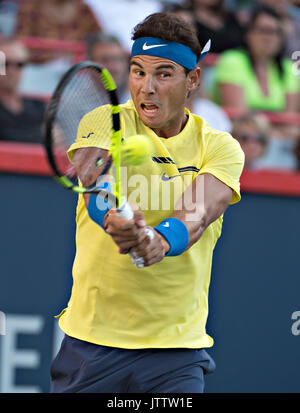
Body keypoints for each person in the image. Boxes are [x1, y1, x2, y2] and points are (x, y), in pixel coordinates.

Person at [50, 12, 245, 393]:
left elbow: (198, 214)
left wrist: (157, 241)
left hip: (175, 351)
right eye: (138, 72)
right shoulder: (102, 121)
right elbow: (97, 186)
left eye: (164, 74)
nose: (147, 88)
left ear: (193, 80)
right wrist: (116, 221)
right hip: (92, 345)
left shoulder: (221, 147)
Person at [213, 5, 300, 114]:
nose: (269, 37)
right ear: (248, 34)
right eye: (263, 30)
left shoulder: (288, 67)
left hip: (281, 130)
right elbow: (238, 114)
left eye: (276, 31)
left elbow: (291, 117)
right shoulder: (232, 60)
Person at [15, 0, 102, 64]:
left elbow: (100, 42)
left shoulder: (85, 10)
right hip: (37, 68)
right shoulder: (31, 7)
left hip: (76, 70)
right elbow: (19, 44)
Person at [0, 37, 45, 143]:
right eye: (5, 64)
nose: (12, 71)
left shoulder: (39, 107)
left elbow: (57, 143)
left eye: (19, 64)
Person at [86, 33, 131, 104]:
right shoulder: (76, 102)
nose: (112, 67)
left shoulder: (144, 94)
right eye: (105, 60)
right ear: (90, 64)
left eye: (117, 59)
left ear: (126, 62)